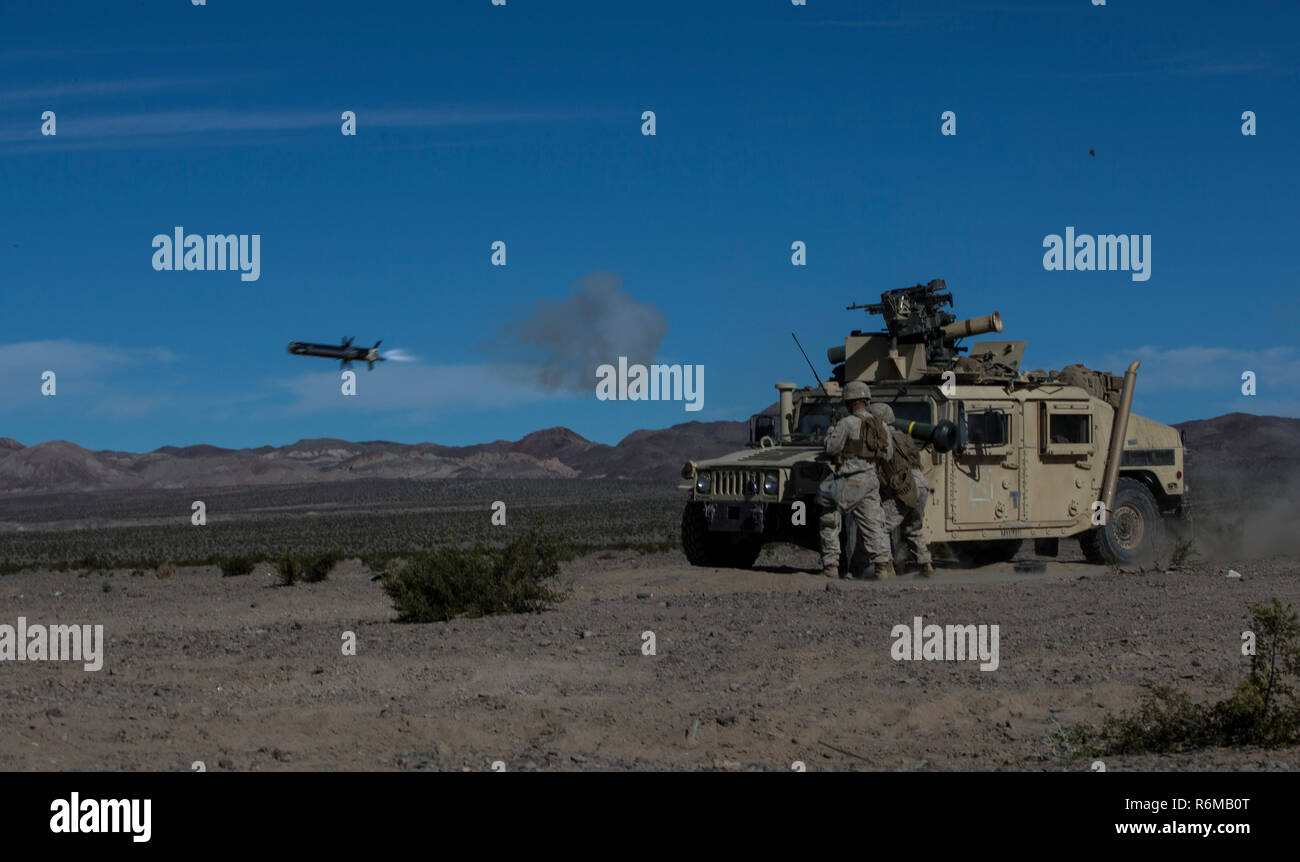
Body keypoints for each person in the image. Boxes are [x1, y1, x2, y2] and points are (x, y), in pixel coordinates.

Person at [816, 381, 894, 579]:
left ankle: (831, 565)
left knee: (829, 514)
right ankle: (882, 567)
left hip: (851, 479)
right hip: (872, 479)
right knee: (873, 524)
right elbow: (888, 455)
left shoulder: (847, 423)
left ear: (849, 402)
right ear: (866, 400)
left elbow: (831, 448)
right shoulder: (882, 425)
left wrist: (831, 430)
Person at [868, 402, 935, 576]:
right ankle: (926, 565)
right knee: (913, 528)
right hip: (920, 482)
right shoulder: (904, 436)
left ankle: (886, 568)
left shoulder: (882, 437)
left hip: (904, 485)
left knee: (881, 526)